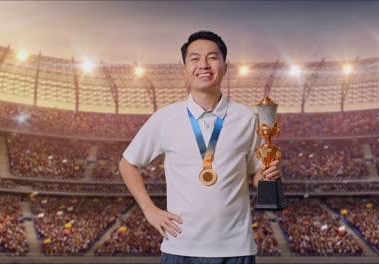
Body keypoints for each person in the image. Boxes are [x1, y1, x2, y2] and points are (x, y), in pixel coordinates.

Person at [119, 30, 280, 264]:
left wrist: (268, 175)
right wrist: (148, 210)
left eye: (212, 57)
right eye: (194, 59)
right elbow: (127, 163)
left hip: (235, 248)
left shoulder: (247, 117)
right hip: (180, 246)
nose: (203, 65)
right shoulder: (165, 118)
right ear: (184, 69)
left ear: (225, 66)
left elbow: (256, 173)